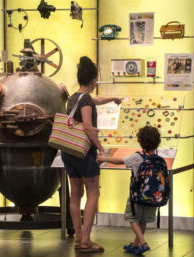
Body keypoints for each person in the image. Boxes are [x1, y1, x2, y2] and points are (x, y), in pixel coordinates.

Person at [61, 56, 121, 253]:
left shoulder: (74, 97)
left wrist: (112, 99)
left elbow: (95, 100)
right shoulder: (86, 99)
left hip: (69, 151)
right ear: (93, 80)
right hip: (85, 152)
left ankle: (78, 238)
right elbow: (87, 126)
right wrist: (101, 148)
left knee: (75, 193)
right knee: (93, 192)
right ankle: (86, 239)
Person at [96, 126, 162, 255]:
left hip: (137, 196)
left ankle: (142, 242)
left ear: (141, 141)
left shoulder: (138, 157)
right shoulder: (158, 159)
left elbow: (119, 161)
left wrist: (103, 159)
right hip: (153, 196)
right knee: (143, 221)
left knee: (132, 218)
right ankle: (136, 244)